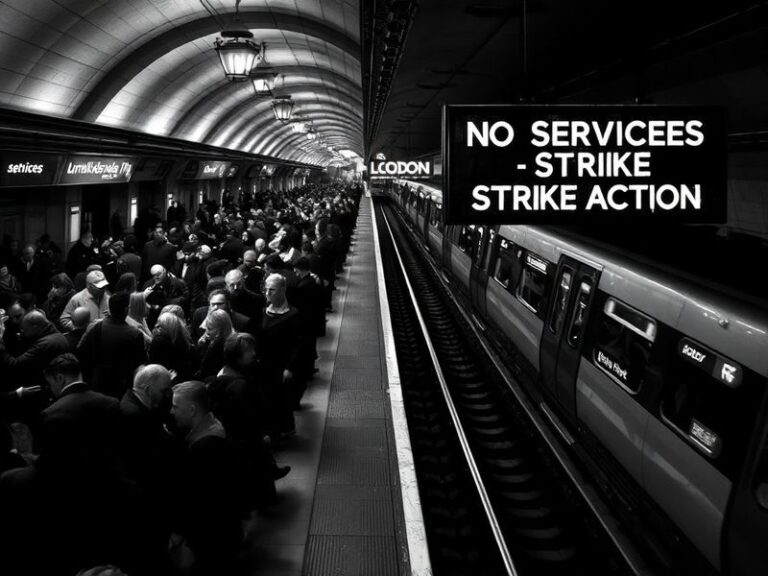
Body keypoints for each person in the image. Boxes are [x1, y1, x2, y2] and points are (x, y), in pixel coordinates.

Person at [170, 381, 248, 576]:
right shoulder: (212, 427)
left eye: (175, 406)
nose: (171, 412)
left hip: (213, 537)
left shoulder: (205, 447)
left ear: (192, 409)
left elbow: (200, 499)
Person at [77, 292, 147, 398]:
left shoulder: (97, 327)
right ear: (126, 310)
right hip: (121, 385)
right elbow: (140, 364)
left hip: (98, 381)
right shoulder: (135, 334)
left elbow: (81, 349)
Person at [260, 273, 300, 438]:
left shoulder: (294, 314)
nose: (268, 293)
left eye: (272, 290)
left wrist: (290, 367)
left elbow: (298, 344)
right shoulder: (263, 310)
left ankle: (283, 430)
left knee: (281, 400)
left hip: (282, 364)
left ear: (283, 289)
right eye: (266, 290)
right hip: (265, 364)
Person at [149, 312, 193, 381]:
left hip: (163, 377)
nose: (157, 327)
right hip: (183, 376)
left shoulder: (159, 341)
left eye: (159, 326)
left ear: (165, 327)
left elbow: (153, 362)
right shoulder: (183, 339)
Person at [195, 308, 234, 380]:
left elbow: (205, 369)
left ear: (220, 329)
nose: (207, 332)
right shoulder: (230, 338)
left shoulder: (220, 346)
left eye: (209, 329)